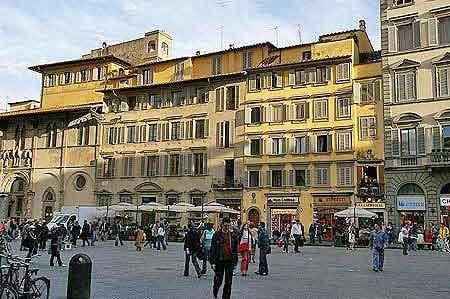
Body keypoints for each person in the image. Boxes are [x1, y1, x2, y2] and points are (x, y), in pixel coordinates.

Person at [210, 217, 238, 299]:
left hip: (229, 261)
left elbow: (235, 249)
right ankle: (215, 289)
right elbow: (213, 249)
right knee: (218, 280)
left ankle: (225, 297)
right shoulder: (216, 235)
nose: (227, 227)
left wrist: (235, 262)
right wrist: (212, 262)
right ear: (222, 225)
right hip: (219, 260)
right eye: (225, 225)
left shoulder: (232, 235)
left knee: (228, 282)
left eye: (228, 225)